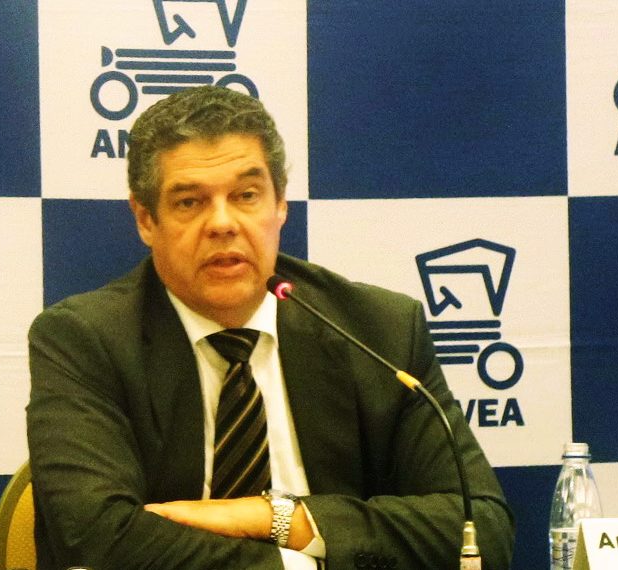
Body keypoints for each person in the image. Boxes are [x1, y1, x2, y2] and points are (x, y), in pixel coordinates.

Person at [26, 85, 514, 569]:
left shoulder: (379, 330)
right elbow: (96, 540)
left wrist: (279, 518)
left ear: (280, 205)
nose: (222, 223)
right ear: (145, 219)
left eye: (246, 195)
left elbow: (481, 533)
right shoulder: (83, 340)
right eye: (190, 202)